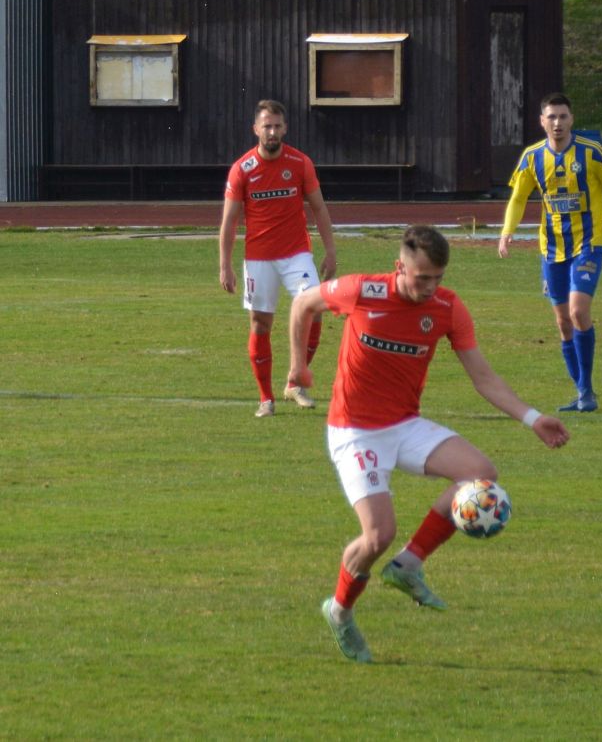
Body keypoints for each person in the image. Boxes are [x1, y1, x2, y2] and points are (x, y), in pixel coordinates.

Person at [288, 225, 570, 663]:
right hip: (354, 430)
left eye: (437, 277)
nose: (430, 287)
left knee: (480, 475)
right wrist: (299, 366)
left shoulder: (447, 307)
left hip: (404, 424)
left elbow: (483, 377)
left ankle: (408, 565)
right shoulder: (362, 290)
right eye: (422, 278)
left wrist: (532, 418)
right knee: (378, 535)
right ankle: (340, 612)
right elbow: (303, 304)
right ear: (399, 268)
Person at [497, 92, 602, 413]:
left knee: (578, 311)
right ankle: (583, 390)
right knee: (562, 322)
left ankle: (586, 391)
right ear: (542, 122)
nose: (557, 122)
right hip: (552, 248)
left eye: (563, 116)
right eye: (551, 117)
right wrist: (507, 231)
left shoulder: (591, 152)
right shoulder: (532, 157)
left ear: (572, 120)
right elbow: (518, 198)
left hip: (589, 244)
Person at [219, 99, 338, 417]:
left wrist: (330, 250)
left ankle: (295, 383)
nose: (272, 132)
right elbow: (229, 221)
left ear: (285, 129)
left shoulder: (300, 163)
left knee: (314, 310)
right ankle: (266, 398)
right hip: (259, 258)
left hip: (297, 254)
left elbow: (319, 208)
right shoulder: (242, 169)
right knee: (261, 323)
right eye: (266, 126)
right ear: (255, 129)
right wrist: (225, 265)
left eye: (277, 126)